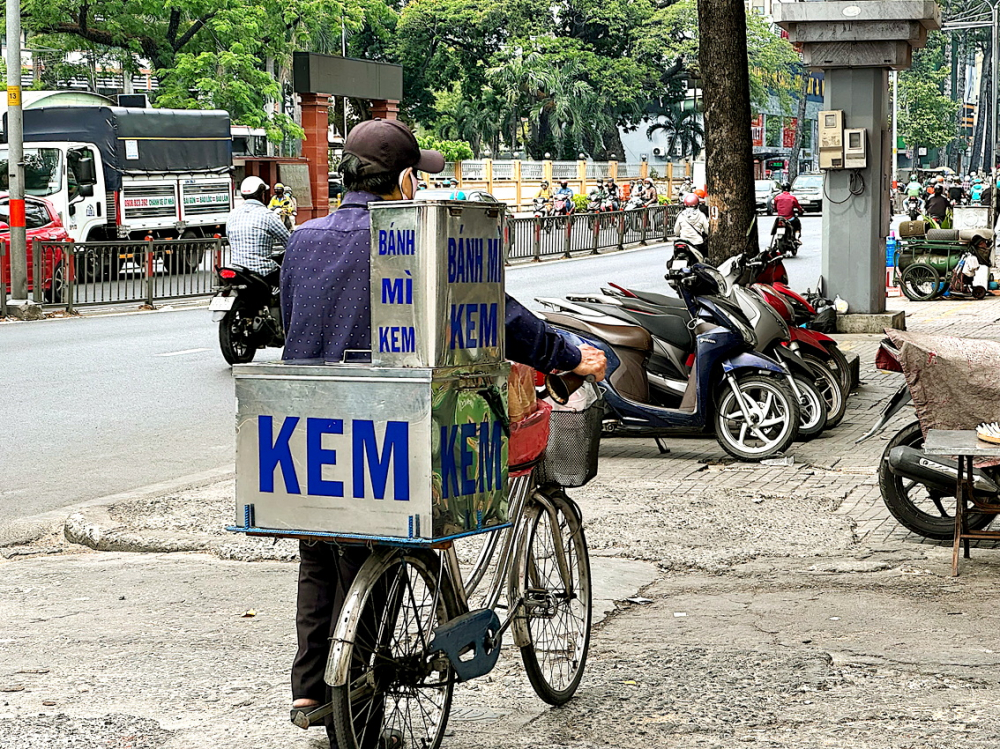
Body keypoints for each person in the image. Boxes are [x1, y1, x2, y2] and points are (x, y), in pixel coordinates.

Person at [279, 118, 606, 748]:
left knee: (319, 551)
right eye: (415, 176)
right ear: (403, 180)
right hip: (390, 429)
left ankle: (311, 687)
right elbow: (499, 317)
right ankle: (361, 712)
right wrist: (567, 355)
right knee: (380, 548)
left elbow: (296, 326)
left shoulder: (303, 239)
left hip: (303, 424)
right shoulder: (416, 240)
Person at [227, 176, 290, 287]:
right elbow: (289, 242)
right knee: (288, 281)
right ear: (262, 194)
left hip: (236, 269)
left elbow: (229, 238)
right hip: (262, 271)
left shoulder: (232, 214)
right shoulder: (268, 215)